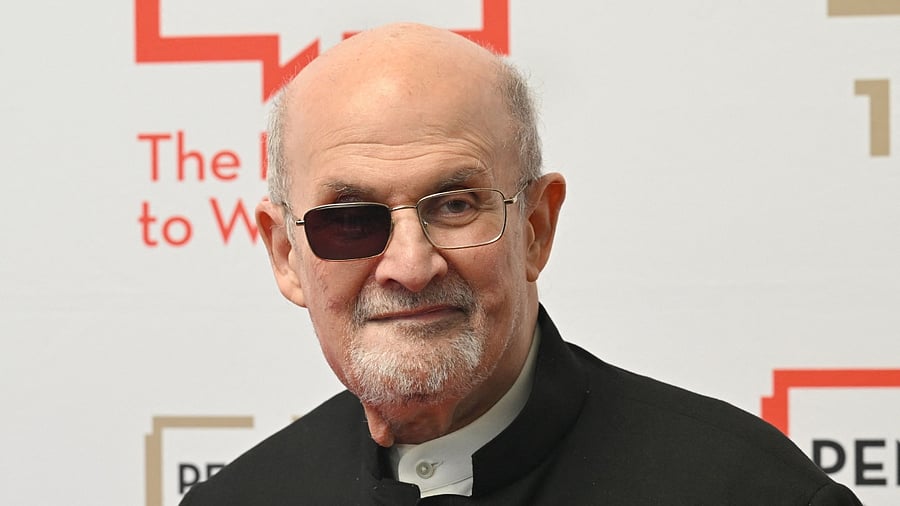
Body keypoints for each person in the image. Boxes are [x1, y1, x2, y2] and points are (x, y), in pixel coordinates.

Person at [180, 22, 861, 505]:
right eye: (351, 218)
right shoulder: (240, 498)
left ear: (535, 227)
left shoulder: (752, 494)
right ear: (285, 255)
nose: (410, 267)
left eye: (454, 205)